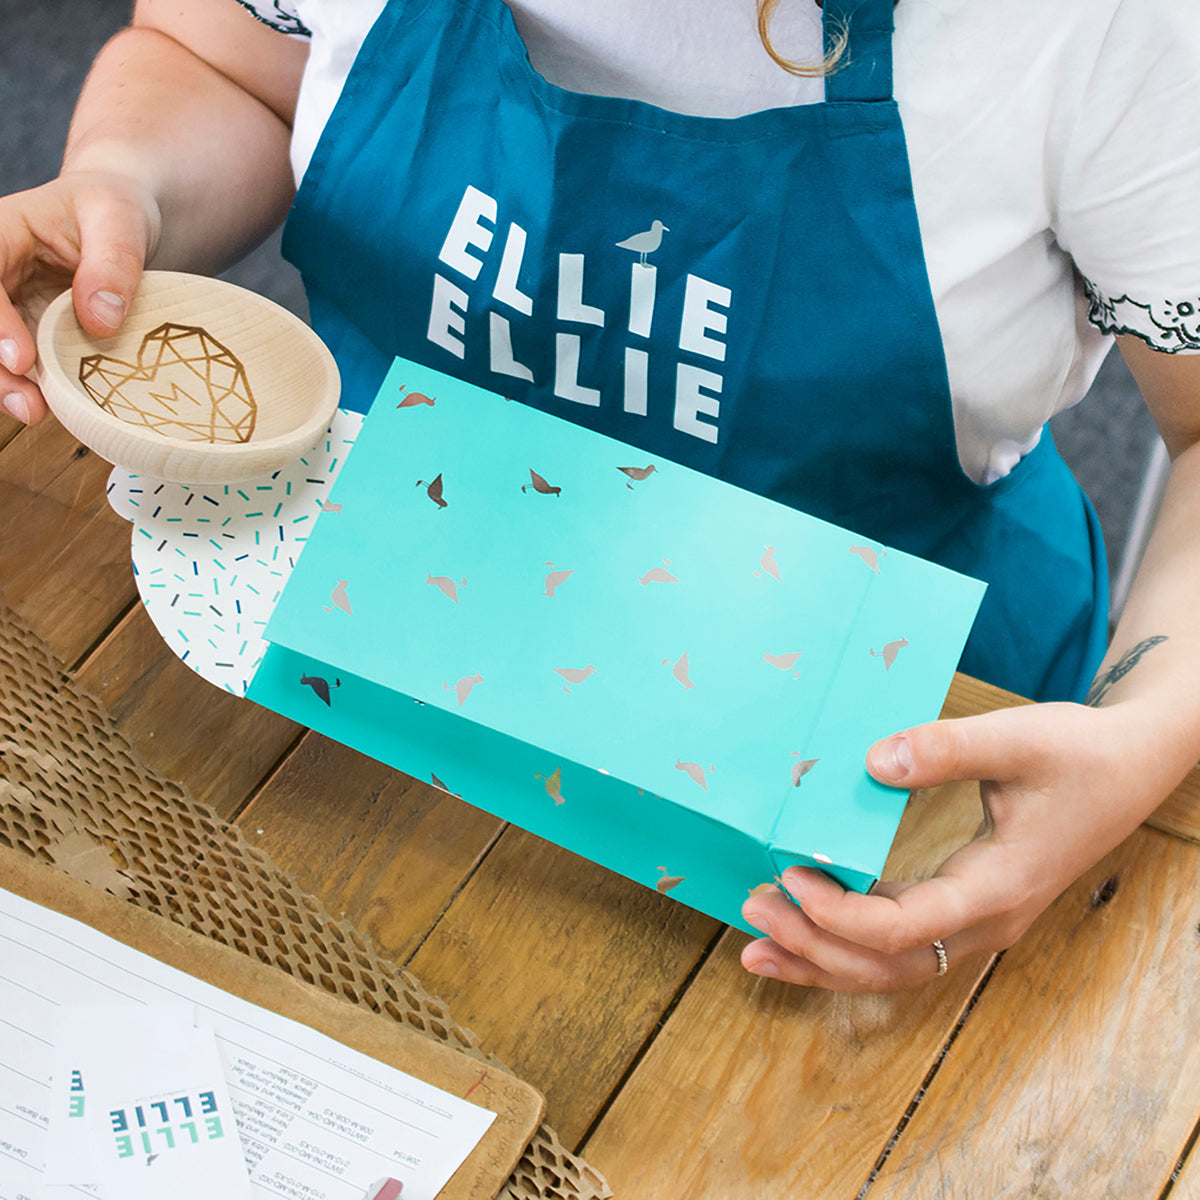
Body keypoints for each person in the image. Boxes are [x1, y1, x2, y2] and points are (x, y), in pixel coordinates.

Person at [2, 0, 1198, 993]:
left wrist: (1147, 731)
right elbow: (226, 63)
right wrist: (125, 185)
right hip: (359, 673)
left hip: (873, 810)